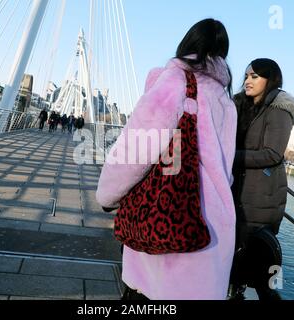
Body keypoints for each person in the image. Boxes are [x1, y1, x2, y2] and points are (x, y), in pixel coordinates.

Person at [96, 19, 238, 300]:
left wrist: (107, 195)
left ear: (187, 44)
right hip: (213, 227)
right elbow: (226, 168)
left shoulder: (174, 82)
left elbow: (136, 150)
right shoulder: (225, 99)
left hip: (169, 219)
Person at [230, 59, 294, 300]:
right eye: (246, 76)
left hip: (259, 199)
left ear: (269, 79)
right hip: (239, 193)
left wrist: (229, 157)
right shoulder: (243, 105)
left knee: (258, 271)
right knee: (236, 264)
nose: (247, 81)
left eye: (254, 76)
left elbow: (272, 153)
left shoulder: (278, 110)